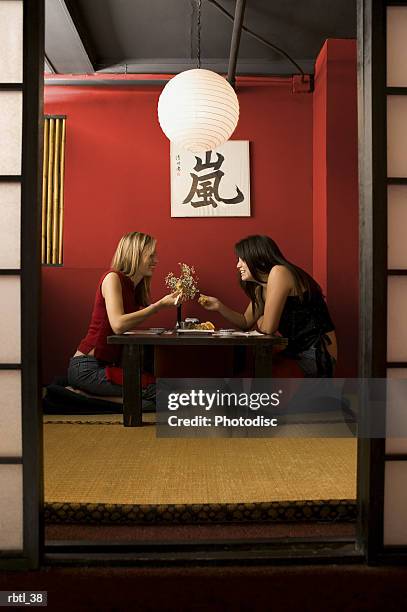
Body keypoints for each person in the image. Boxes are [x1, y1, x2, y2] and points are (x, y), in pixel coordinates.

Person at [199, 234, 337, 377]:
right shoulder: (261, 289)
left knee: (260, 373)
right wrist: (219, 306)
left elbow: (269, 328)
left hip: (317, 353)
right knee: (247, 371)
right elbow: (246, 322)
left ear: (257, 257)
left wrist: (263, 320)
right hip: (296, 350)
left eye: (242, 259)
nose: (237, 265)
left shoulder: (279, 272)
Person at [67, 231, 181, 397]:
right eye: (151, 256)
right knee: (160, 396)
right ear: (135, 254)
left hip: (109, 367)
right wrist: (159, 306)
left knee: (164, 392)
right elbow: (118, 325)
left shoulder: (134, 286)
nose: (156, 261)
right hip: (87, 368)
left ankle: (90, 397)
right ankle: (84, 397)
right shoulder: (112, 278)